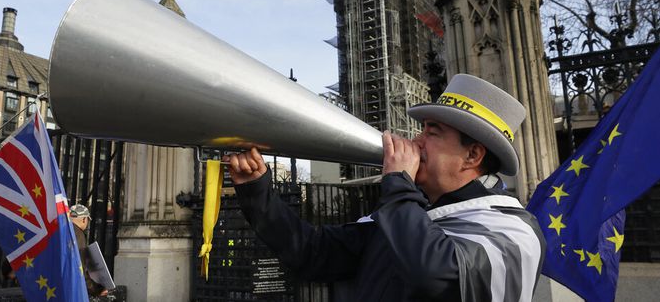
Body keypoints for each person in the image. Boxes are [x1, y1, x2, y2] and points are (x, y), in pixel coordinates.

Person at [227, 73, 545, 301]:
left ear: (472, 155)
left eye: (432, 133)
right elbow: (313, 252)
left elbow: (437, 275)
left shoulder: (514, 233)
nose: (415, 140)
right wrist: (256, 191)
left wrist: (399, 185)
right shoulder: (406, 214)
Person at [69, 204, 107, 297]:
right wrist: (96, 290)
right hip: (71, 290)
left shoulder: (62, 230)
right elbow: (79, 268)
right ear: (83, 219)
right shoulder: (78, 235)